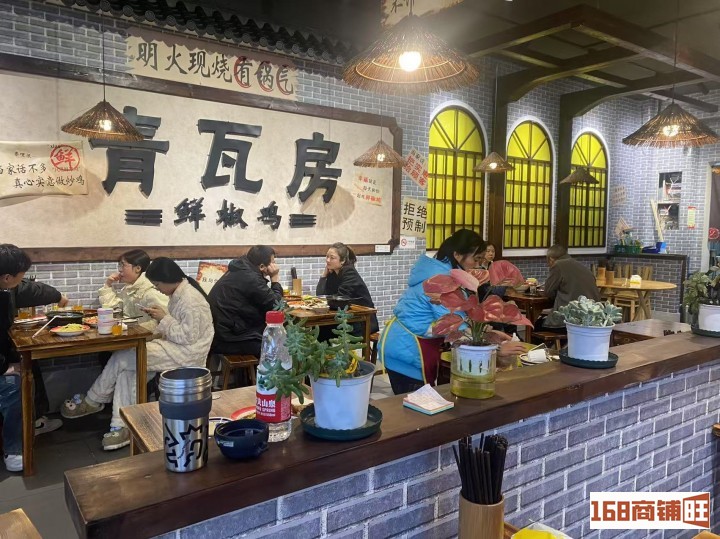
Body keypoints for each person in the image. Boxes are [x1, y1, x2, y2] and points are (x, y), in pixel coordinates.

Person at [61, 258, 214, 451]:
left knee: (122, 357)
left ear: (167, 279)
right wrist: (160, 320)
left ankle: (94, 400)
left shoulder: (190, 300)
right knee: (128, 371)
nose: (157, 289)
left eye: (157, 284)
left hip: (187, 353)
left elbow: (188, 337)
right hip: (175, 346)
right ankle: (122, 424)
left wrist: (163, 318)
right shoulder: (179, 293)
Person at [379, 230, 526, 395]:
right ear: (457, 255)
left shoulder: (438, 272)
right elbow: (457, 330)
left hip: (402, 343)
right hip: (408, 349)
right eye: (476, 259)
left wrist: (489, 333)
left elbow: (460, 322)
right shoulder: (442, 282)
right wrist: (496, 350)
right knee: (418, 405)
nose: (478, 265)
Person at [0, 244, 68, 471]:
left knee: (28, 362)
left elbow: (30, 289)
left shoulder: (7, 286)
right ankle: (13, 450)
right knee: (13, 383)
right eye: (21, 275)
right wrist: (3, 368)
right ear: (7, 277)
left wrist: (58, 296)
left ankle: (35, 421)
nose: (23, 279)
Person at [208, 245, 282, 358]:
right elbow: (276, 305)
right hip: (227, 338)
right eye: (273, 262)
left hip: (222, 331)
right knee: (274, 346)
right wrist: (275, 279)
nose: (275, 265)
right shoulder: (250, 277)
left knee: (271, 336)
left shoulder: (241, 269)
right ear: (262, 266)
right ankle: (265, 370)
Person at [316, 242, 379, 339]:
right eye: (327, 256)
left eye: (332, 258)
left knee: (323, 330)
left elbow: (339, 299)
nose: (328, 260)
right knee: (318, 328)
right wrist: (324, 275)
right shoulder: (333, 273)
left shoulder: (349, 272)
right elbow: (321, 295)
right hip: (346, 316)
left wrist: (323, 302)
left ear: (343, 261)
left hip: (361, 321)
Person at [98, 249, 168, 330]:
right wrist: (108, 284)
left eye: (123, 265)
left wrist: (130, 329)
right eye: (119, 265)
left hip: (143, 336)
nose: (120, 270)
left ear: (137, 268)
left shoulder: (152, 291)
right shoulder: (128, 288)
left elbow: (163, 322)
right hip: (130, 333)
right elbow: (112, 309)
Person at [538, 244, 601, 330]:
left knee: (535, 326)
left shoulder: (558, 265)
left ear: (551, 259)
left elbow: (548, 292)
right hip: (592, 320)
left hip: (569, 321)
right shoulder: (581, 266)